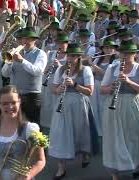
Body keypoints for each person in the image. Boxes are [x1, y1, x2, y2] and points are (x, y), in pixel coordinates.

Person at [101, 40, 139, 180]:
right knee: (113, 137)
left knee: (133, 138)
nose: (125, 56)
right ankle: (115, 172)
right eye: (123, 53)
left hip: (133, 106)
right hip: (113, 107)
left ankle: (136, 164)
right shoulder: (112, 68)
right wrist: (111, 88)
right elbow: (102, 89)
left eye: (129, 54)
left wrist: (129, 82)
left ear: (135, 55)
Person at [0, 85, 46, 180]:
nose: (10, 107)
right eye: (5, 104)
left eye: (13, 102)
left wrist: (28, 175)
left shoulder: (31, 129)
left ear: (19, 102)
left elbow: (40, 160)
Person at [48, 43, 97, 180]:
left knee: (80, 132)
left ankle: (85, 153)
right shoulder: (60, 70)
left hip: (79, 104)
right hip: (62, 105)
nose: (71, 58)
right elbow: (54, 89)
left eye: (74, 56)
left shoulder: (85, 70)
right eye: (69, 55)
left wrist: (74, 85)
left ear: (79, 57)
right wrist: (60, 89)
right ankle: (61, 167)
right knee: (60, 134)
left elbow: (90, 92)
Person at [2, 27, 47, 125]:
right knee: (15, 124)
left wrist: (22, 61)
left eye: (28, 39)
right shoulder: (16, 52)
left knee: (33, 126)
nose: (24, 41)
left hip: (32, 95)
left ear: (34, 40)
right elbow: (4, 74)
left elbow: (38, 71)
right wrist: (9, 62)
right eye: (23, 38)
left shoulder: (41, 54)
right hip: (16, 94)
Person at [89, 38, 118, 137]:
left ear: (114, 50)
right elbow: (92, 72)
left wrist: (92, 64)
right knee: (95, 107)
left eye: (111, 48)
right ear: (103, 49)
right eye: (106, 48)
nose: (109, 50)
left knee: (104, 108)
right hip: (96, 84)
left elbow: (107, 74)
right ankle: (98, 131)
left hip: (107, 87)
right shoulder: (98, 59)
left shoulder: (116, 62)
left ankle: (107, 131)